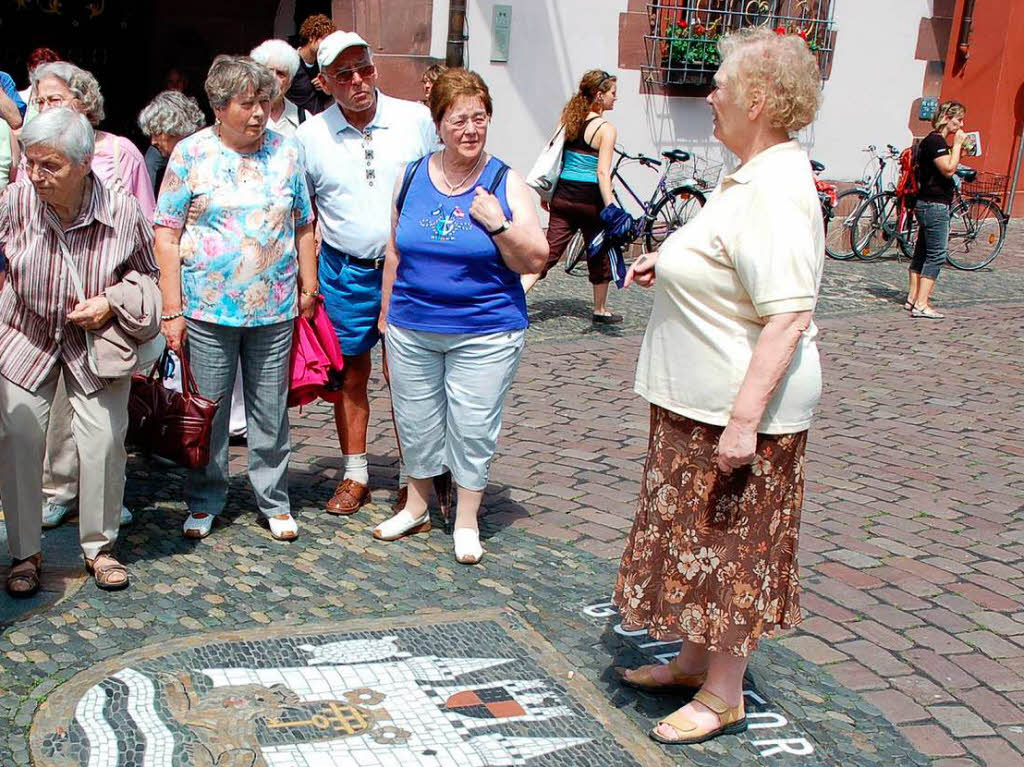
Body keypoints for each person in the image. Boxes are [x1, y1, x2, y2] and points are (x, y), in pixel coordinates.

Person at [612, 28, 824, 746]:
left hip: (736, 413)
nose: (711, 95)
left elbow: (788, 314)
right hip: (693, 402)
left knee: (733, 551)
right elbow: (725, 263)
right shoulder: (747, 176)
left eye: (723, 86)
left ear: (759, 100)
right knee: (698, 541)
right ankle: (694, 659)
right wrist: (664, 265)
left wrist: (743, 420)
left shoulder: (777, 187)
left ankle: (723, 692)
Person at [376, 69, 547, 563]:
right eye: (459, 119)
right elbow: (395, 250)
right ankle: (416, 506)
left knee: (472, 426)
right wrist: (387, 314)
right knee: (417, 421)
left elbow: (534, 257)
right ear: (439, 124)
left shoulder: (503, 181)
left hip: (485, 330)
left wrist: (499, 225)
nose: (470, 129)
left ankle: (467, 518)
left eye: (480, 118)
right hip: (412, 326)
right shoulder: (410, 175)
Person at [154, 55, 316, 542]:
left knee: (271, 409)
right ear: (219, 108)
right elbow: (166, 232)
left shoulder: (288, 152)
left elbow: (303, 223)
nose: (259, 113)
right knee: (211, 408)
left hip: (275, 305)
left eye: (264, 102)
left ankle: (274, 497)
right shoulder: (190, 153)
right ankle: (205, 498)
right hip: (207, 306)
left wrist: (309, 288)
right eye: (247, 104)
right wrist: (171, 308)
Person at [0, 109, 160, 595]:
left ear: (86, 162)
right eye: (32, 163)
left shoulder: (122, 211)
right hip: (26, 332)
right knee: (19, 435)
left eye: (51, 166)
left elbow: (148, 274)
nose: (37, 175)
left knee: (106, 443)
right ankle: (24, 553)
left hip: (95, 344)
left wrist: (110, 303)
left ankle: (100, 547)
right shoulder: (16, 201)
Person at [296, 31, 436, 517]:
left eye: (365, 69)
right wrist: (307, 284)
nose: (358, 81)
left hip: (411, 272)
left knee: (411, 375)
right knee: (350, 374)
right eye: (344, 75)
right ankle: (355, 472)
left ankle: (411, 475)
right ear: (324, 82)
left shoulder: (414, 120)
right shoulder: (310, 136)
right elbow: (303, 216)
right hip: (345, 272)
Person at [28, 61, 157, 531]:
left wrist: (112, 299)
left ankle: (104, 501)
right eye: (39, 100)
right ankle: (60, 490)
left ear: (83, 102)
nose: (44, 107)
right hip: (47, 313)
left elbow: (143, 231)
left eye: (54, 99)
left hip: (104, 315)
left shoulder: (120, 152)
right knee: (57, 417)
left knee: (105, 422)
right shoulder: (36, 158)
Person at [521, 69, 621, 324]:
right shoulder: (606, 129)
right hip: (590, 203)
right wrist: (611, 207)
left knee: (549, 252)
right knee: (598, 253)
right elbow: (602, 173)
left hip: (563, 197)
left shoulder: (570, 118)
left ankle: (516, 296)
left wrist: (549, 194)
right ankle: (600, 309)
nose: (615, 98)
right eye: (612, 93)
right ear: (599, 95)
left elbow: (557, 160)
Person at [906, 101, 967, 320]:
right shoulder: (936, 141)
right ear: (946, 118)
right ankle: (922, 304)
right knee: (937, 255)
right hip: (934, 205)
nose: (961, 124)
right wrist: (958, 145)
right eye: (958, 119)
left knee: (922, 252)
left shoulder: (932, 141)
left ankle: (912, 298)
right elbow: (948, 169)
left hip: (927, 203)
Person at [138, 90, 206, 191]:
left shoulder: (207, 156)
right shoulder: (164, 158)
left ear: (177, 127)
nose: (153, 142)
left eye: (158, 133)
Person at [251, 39, 303, 136]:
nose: (273, 78)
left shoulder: (303, 118)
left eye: (281, 74)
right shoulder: (242, 112)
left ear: (290, 82)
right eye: (268, 71)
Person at [287, 13, 336, 116]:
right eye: (324, 40)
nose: (327, 45)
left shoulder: (323, 65)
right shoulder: (290, 63)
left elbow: (329, 96)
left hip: (319, 121)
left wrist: (325, 87)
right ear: (311, 38)